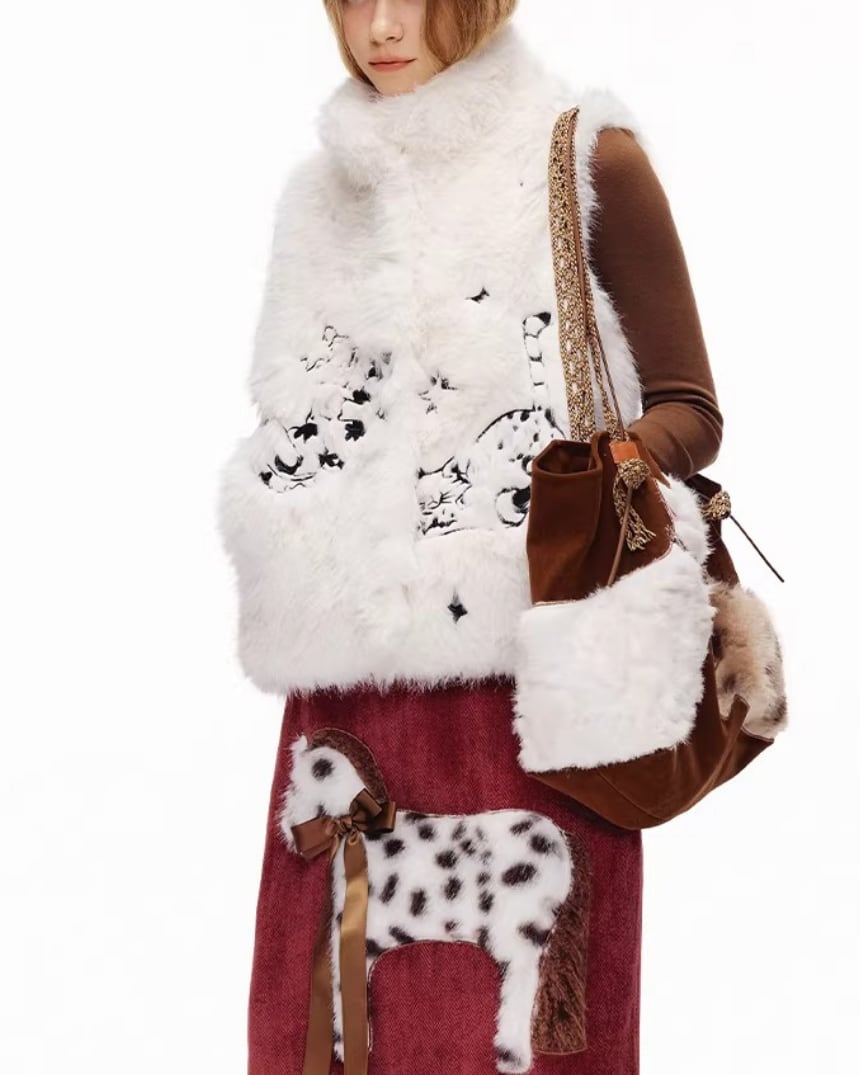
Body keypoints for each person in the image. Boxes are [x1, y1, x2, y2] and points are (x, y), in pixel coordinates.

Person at [218, 2, 725, 1072]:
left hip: (535, 680)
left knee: (517, 1034)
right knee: (325, 1032)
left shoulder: (581, 154)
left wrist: (591, 473)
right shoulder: (321, 197)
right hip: (347, 689)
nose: (380, 27)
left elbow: (690, 410)